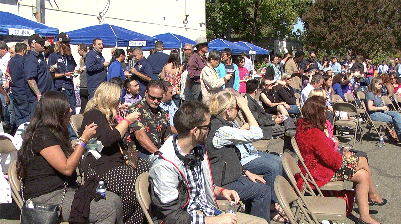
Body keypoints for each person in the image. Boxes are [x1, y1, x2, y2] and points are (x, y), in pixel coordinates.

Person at [149, 100, 267, 224]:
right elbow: (172, 218)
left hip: (205, 210)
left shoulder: (196, 150)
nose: (210, 130)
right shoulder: (165, 167)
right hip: (189, 218)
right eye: (207, 127)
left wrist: (220, 191)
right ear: (195, 131)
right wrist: (216, 220)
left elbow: (196, 187)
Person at [16, 91, 123, 223]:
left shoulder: (55, 131)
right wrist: (84, 139)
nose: (71, 110)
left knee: (115, 199)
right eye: (67, 108)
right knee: (107, 209)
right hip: (47, 196)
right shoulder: (42, 135)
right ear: (57, 112)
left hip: (65, 189)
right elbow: (67, 168)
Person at [295, 96, 386, 224]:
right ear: (316, 113)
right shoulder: (314, 133)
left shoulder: (303, 125)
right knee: (362, 162)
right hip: (318, 172)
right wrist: (343, 154)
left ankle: (367, 211)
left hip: (312, 167)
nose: (325, 113)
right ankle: (371, 200)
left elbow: (324, 153)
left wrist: (334, 148)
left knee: (363, 174)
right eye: (323, 111)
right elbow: (333, 161)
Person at [210, 88, 289, 222]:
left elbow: (229, 157)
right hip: (220, 183)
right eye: (237, 108)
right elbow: (257, 134)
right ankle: (262, 217)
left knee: (260, 185)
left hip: (229, 175)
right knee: (262, 191)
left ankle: (256, 215)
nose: (239, 111)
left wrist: (246, 172)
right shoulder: (221, 130)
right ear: (228, 111)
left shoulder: (220, 125)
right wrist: (246, 108)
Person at [81, 82, 149, 223]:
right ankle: (121, 218)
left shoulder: (106, 116)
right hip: (101, 168)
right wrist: (126, 121)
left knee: (151, 172)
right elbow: (106, 141)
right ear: (109, 99)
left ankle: (141, 217)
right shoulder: (94, 114)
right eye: (118, 99)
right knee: (134, 186)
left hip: (116, 162)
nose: (120, 101)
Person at [127, 80, 172, 160]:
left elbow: (167, 137)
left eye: (159, 99)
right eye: (152, 97)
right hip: (139, 154)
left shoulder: (163, 113)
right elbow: (140, 136)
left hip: (158, 153)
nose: (155, 101)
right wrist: (159, 155)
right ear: (145, 93)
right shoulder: (135, 110)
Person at [48, 33, 77, 112]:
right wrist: (64, 74)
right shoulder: (54, 56)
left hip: (69, 87)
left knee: (72, 112)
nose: (68, 45)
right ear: (60, 44)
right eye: (66, 43)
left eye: (68, 43)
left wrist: (76, 71)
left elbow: (73, 68)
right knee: (61, 113)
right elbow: (51, 75)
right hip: (60, 88)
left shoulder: (69, 56)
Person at [24, 34, 54, 106]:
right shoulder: (31, 59)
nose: (43, 45)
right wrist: (38, 94)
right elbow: (30, 79)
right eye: (40, 43)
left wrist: (50, 70)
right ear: (33, 44)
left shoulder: (40, 57)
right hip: (37, 99)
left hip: (47, 95)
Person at [8, 43, 31, 128]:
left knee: (18, 115)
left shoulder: (11, 61)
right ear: (23, 50)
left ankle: (19, 132)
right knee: (26, 115)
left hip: (15, 90)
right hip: (23, 91)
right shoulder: (23, 61)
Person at [187, 36, 208, 101]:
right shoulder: (194, 57)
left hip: (204, 86)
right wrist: (204, 73)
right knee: (197, 107)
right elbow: (191, 73)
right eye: (205, 45)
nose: (207, 47)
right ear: (199, 46)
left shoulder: (204, 57)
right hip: (197, 87)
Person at [77, 43, 88, 113]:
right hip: (82, 85)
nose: (77, 52)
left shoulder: (88, 58)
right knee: (83, 106)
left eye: (78, 50)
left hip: (87, 86)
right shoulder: (81, 59)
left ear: (82, 50)